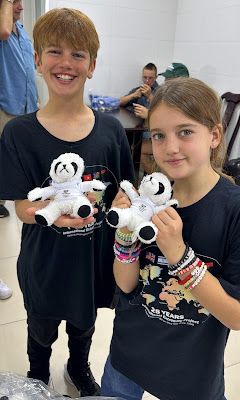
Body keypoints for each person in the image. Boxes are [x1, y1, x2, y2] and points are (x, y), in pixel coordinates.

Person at [0, 8, 134, 397]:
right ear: (38, 60)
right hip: (44, 261)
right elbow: (22, 206)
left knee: (85, 324)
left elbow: (122, 191)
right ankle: (37, 375)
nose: (66, 63)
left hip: (92, 261)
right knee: (40, 328)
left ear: (92, 65)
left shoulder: (110, 130)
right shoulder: (19, 134)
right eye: (55, 52)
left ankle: (78, 367)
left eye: (78, 55)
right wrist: (50, 218)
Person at [100, 77, 240, 400]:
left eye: (185, 132)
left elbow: (238, 316)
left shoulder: (239, 211)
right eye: (158, 135)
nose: (170, 148)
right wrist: (124, 237)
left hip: (191, 372)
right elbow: (126, 286)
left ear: (214, 135)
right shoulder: (149, 197)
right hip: (127, 356)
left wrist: (180, 256)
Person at [0, 0, 39, 218]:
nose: (20, 7)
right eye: (14, 2)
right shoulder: (3, 30)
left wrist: (37, 99)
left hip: (27, 104)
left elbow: (28, 71)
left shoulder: (22, 31)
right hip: (6, 103)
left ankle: (21, 194)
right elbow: (4, 31)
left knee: (22, 155)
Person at [136, 62, 190, 175]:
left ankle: (162, 182)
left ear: (179, 80)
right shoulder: (172, 96)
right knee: (138, 148)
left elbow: (173, 123)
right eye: (165, 78)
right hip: (169, 138)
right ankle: (161, 180)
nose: (165, 82)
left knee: (139, 149)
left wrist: (149, 115)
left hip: (180, 143)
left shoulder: (185, 99)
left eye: (168, 79)